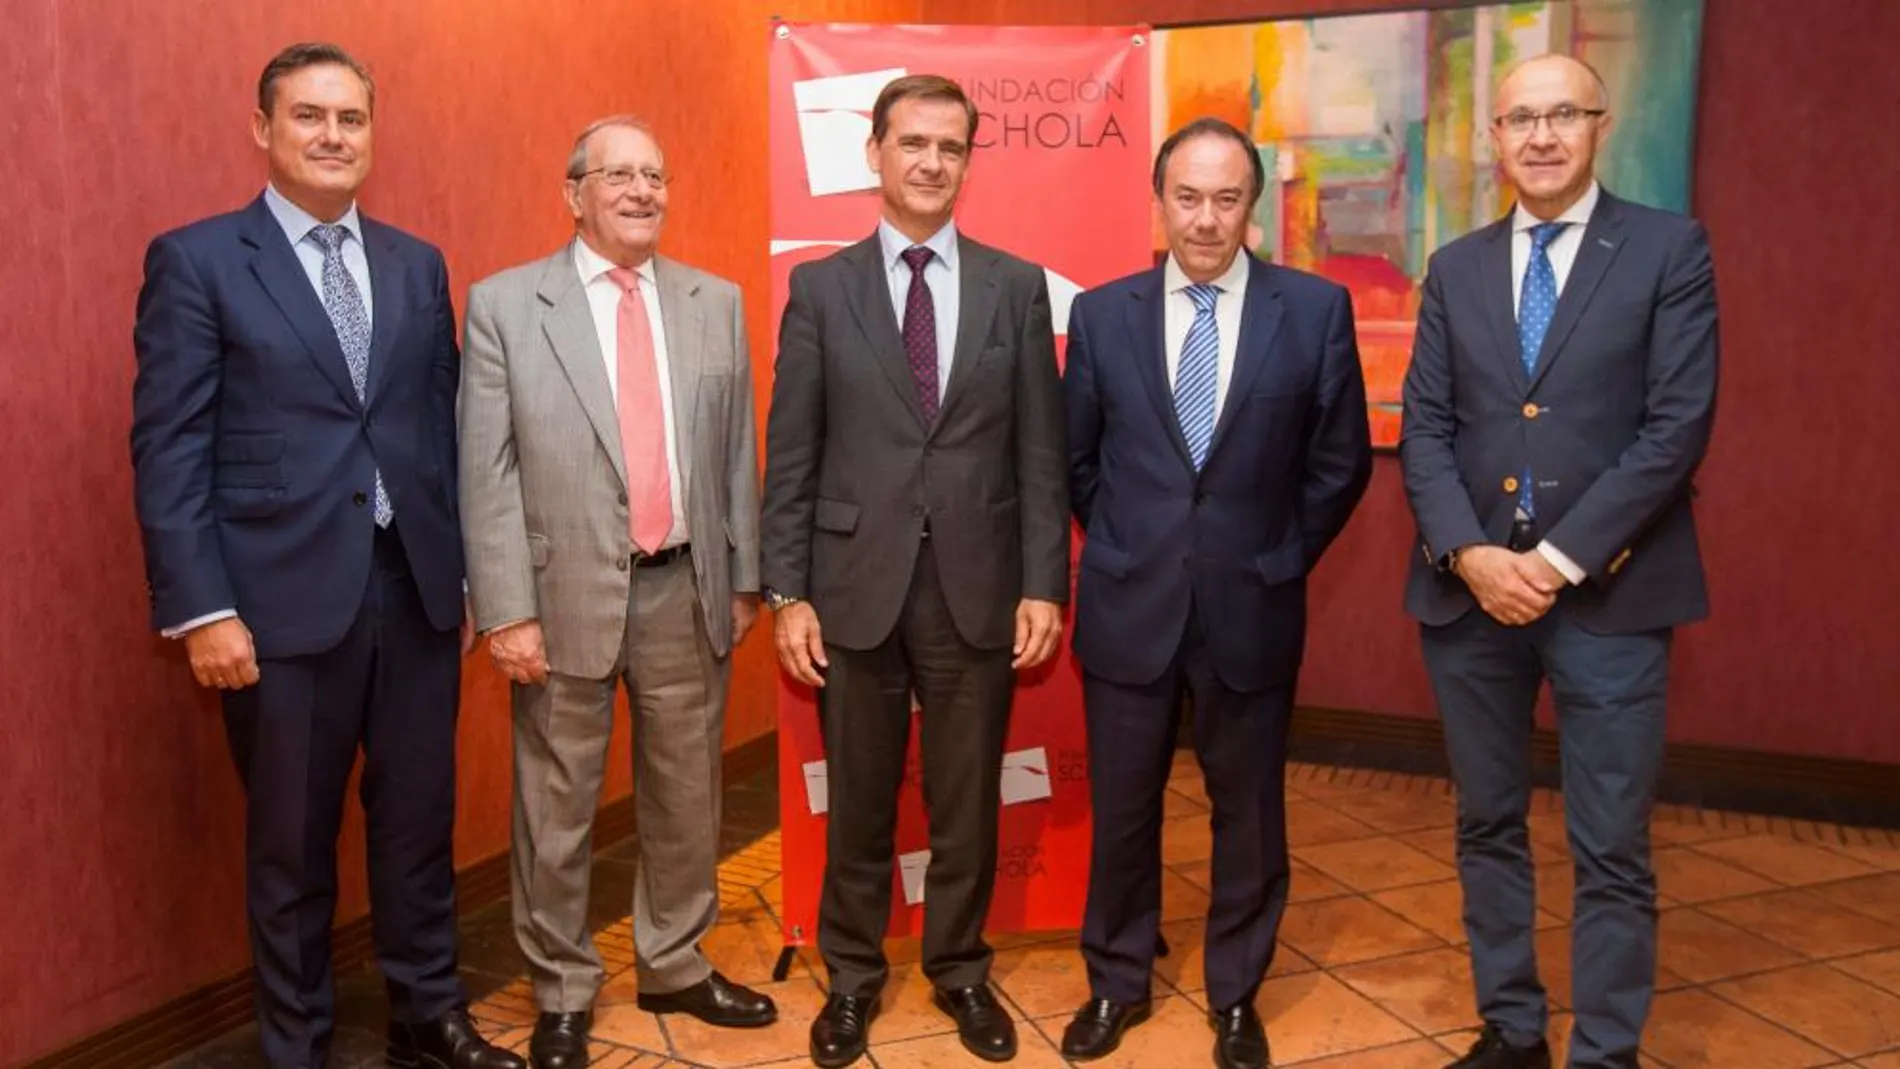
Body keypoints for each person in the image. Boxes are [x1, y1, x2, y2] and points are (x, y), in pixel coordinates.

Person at [129, 42, 520, 1069]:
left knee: (417, 824)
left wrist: (468, 577)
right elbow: (168, 446)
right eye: (309, 116)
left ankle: (426, 1013)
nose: (333, 136)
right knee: (292, 846)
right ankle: (295, 1043)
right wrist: (201, 608)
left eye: (350, 118)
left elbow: (436, 431)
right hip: (275, 605)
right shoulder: (198, 259)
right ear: (262, 129)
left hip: (415, 593)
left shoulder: (414, 263)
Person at [1399, 54, 1720, 1069]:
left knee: (1610, 846)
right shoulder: (1453, 267)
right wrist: (1469, 552)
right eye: (1518, 119)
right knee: (1485, 822)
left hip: (1611, 599)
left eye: (1561, 115)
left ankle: (1606, 1050)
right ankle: (1512, 1028)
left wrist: (1560, 559)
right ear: (1492, 135)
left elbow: (1675, 427)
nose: (1539, 137)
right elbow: (1425, 429)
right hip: (1469, 599)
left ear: (1598, 125)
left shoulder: (1669, 249)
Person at [759, 73, 1069, 1068]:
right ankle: (851, 977)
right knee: (856, 797)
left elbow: (1038, 451)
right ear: (876, 153)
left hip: (977, 587)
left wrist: (1042, 582)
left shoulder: (1015, 286)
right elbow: (792, 452)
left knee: (965, 797)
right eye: (913, 142)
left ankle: (960, 968)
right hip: (852, 588)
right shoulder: (820, 287)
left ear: (967, 160)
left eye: (951, 146)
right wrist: (788, 589)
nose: (932, 161)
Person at [457, 115, 773, 1068]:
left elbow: (733, 457)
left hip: (686, 589)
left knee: (688, 795)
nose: (643, 192)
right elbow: (487, 471)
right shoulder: (508, 305)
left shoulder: (713, 301)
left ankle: (674, 958)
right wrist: (506, 609)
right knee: (556, 807)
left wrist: (745, 577)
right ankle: (560, 987)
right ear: (574, 194)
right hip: (558, 602)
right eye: (620, 175)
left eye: (656, 175)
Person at [1059, 117, 1372, 1069]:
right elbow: (1076, 458)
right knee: (1122, 810)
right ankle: (1117, 981)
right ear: (1159, 201)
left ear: (1254, 205)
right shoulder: (1105, 314)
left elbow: (1340, 462)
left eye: (1226, 198)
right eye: (1186, 197)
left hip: (1254, 602)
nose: (1205, 219)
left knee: (1251, 815)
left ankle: (1236, 993)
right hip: (1130, 603)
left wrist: (1275, 552)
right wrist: (1130, 541)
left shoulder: (1314, 310)